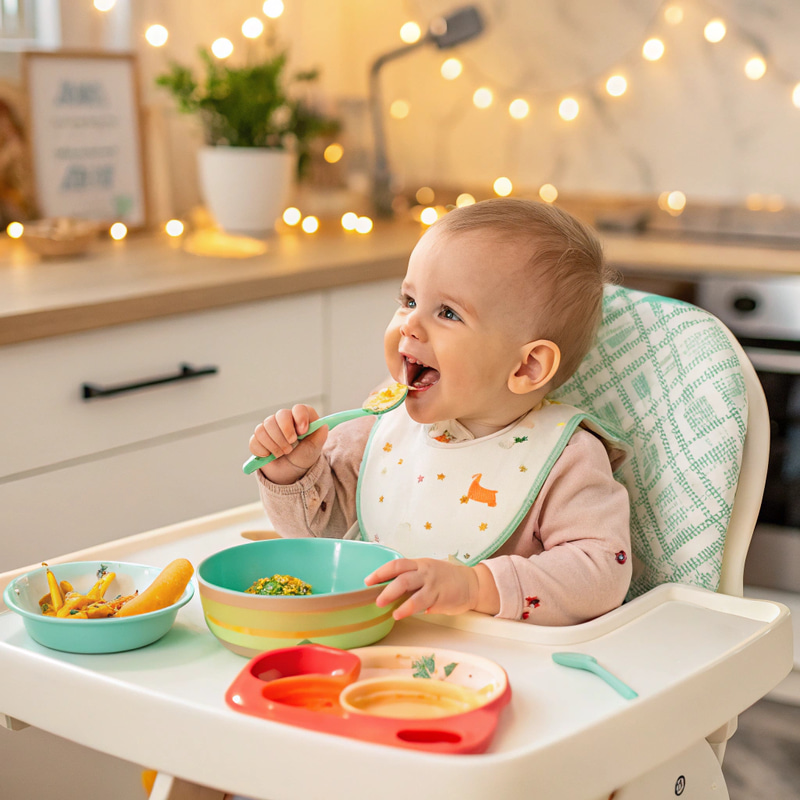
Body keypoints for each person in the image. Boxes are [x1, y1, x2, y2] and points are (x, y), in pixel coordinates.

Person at [249, 197, 631, 626]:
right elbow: (323, 540)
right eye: (409, 300)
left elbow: (603, 573)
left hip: (495, 663)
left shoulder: (566, 457)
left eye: (447, 312)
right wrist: (295, 474)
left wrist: (475, 586)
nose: (410, 325)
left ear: (527, 366)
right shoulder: (382, 421)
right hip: (370, 641)